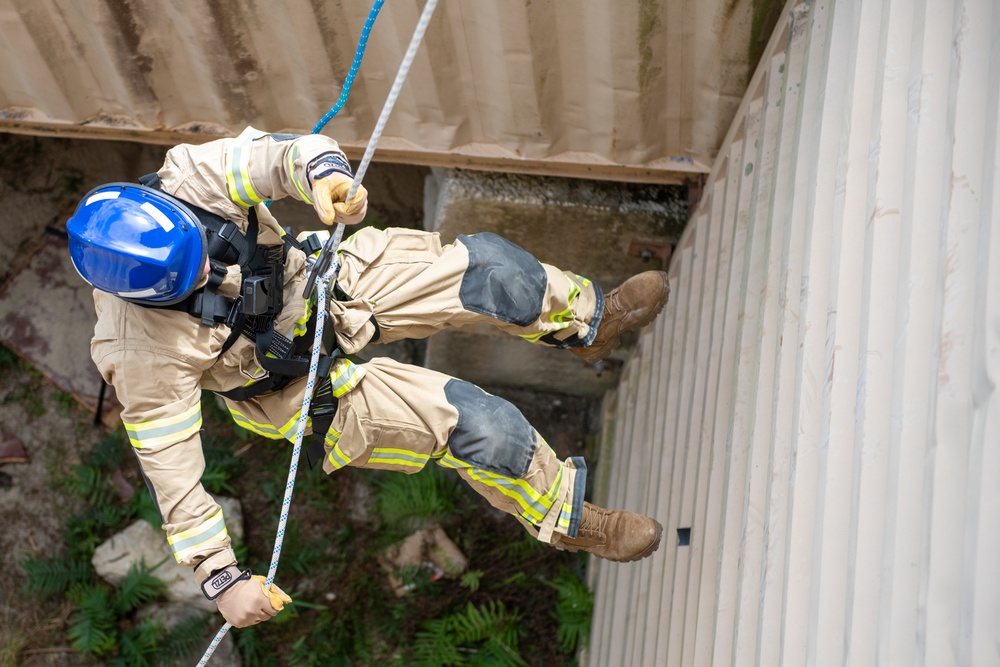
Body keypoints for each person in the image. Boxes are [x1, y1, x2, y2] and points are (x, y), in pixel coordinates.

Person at [66, 127, 671, 629]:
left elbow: (285, 154)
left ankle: (592, 322)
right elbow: (173, 476)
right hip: (291, 389)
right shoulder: (137, 352)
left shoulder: (191, 177)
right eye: (193, 279)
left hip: (320, 282)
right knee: (483, 427)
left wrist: (325, 176)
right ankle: (573, 523)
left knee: (490, 269)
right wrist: (220, 578)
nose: (213, 271)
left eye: (205, 251)